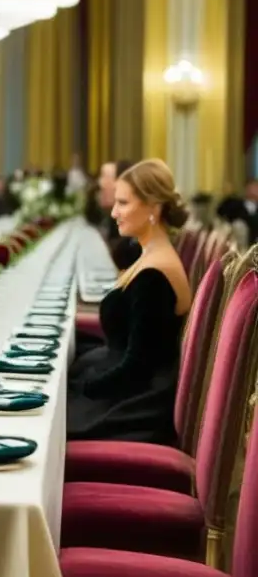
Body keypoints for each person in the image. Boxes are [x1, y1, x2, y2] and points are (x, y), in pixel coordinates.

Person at [66, 159, 192, 445]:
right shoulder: (151, 255)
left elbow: (139, 366)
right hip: (125, 388)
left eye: (123, 203)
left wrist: (84, 388)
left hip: (134, 405)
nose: (113, 212)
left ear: (153, 208)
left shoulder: (155, 275)